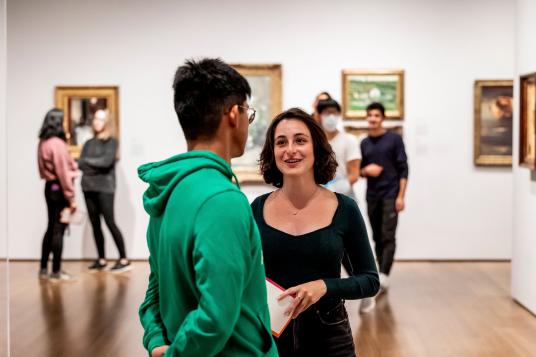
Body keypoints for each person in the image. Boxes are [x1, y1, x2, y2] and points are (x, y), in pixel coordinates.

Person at [138, 58, 278, 357]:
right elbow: (215, 316)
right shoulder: (222, 200)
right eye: (247, 113)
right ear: (232, 114)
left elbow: (155, 292)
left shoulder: (168, 190)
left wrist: (156, 342)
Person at [251, 108, 379, 356]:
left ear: (316, 148)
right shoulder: (256, 208)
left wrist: (324, 286)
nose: (290, 149)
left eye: (300, 140)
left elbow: (370, 280)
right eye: (281, 142)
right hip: (271, 336)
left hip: (330, 337)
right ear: (272, 151)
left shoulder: (345, 208)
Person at [359, 102, 409, 312]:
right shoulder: (364, 143)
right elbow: (358, 169)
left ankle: (385, 275)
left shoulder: (394, 140)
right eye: (370, 115)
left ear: (382, 118)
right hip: (372, 196)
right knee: (377, 237)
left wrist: (401, 196)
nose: (373, 118)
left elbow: (404, 169)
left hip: (391, 195)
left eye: (376, 115)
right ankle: (382, 272)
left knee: (388, 236)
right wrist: (365, 171)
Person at [78, 109, 131, 273]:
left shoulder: (112, 142)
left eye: (101, 119)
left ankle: (124, 259)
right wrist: (92, 165)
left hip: (105, 188)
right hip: (87, 187)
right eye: (95, 119)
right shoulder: (88, 143)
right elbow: (80, 164)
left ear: (107, 122)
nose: (96, 122)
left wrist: (88, 164)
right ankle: (101, 259)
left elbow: (106, 162)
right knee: (95, 224)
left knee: (110, 222)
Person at [37, 108, 78, 281]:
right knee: (58, 230)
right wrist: (71, 198)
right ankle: (56, 272)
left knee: (50, 227)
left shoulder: (43, 142)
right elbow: (63, 173)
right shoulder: (57, 144)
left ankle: (43, 268)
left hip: (49, 187)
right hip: (59, 189)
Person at [316, 98, 361, 198]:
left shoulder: (350, 140)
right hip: (319, 196)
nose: (331, 117)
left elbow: (354, 174)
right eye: (327, 113)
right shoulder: (315, 142)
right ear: (319, 116)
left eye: (334, 113)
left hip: (345, 196)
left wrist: (337, 188)